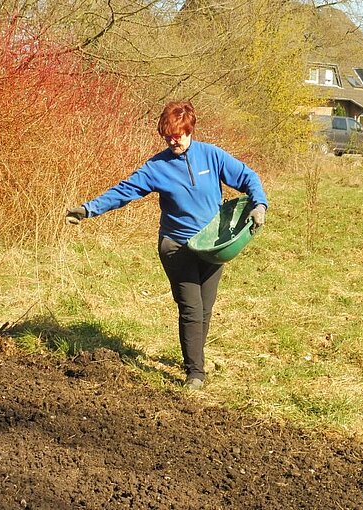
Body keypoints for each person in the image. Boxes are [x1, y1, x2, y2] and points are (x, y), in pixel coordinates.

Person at [66, 100, 268, 390]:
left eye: (179, 135)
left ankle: (194, 356)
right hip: (176, 246)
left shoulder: (212, 156)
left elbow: (248, 177)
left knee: (205, 309)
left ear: (190, 130)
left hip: (212, 245)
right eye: (168, 136)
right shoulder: (156, 167)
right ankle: (195, 372)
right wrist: (88, 209)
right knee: (190, 308)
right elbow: (123, 191)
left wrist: (259, 204)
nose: (174, 141)